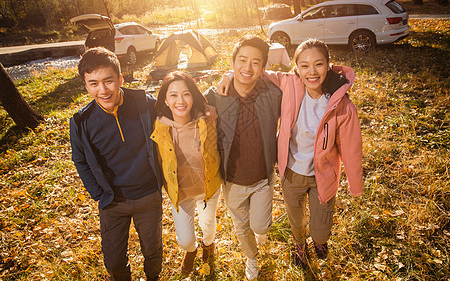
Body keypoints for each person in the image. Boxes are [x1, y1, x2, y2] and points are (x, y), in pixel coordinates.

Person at [217, 38, 364, 267]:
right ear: (296, 68)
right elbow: (252, 72)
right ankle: (299, 245)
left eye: (318, 64)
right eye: (304, 65)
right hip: (291, 172)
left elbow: (352, 149)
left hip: (322, 176)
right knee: (296, 220)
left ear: (328, 65)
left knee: (321, 230)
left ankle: (319, 241)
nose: (311, 72)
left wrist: (355, 185)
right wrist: (227, 74)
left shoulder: (341, 105)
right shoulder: (289, 84)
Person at [69, 47, 163, 280]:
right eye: (93, 83)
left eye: (108, 81)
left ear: (120, 78)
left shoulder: (143, 102)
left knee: (153, 252)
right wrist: (98, 193)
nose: (102, 90)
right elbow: (80, 159)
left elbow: (179, 104)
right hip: (112, 201)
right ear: (85, 85)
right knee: (113, 261)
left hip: (148, 196)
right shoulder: (82, 121)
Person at [204, 35, 282, 280]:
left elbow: (302, 80)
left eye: (256, 62)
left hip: (262, 177)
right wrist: (226, 76)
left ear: (264, 67)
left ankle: (261, 233)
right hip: (233, 179)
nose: (247, 68)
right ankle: (252, 258)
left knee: (261, 225)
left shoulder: (273, 94)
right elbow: (178, 101)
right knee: (241, 226)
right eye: (242, 60)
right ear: (233, 61)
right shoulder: (215, 96)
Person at [150, 71, 222, 277]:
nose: (180, 101)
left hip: (208, 187)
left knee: (208, 226)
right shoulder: (159, 126)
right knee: (184, 240)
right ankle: (192, 250)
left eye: (186, 94)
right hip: (180, 192)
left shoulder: (207, 119)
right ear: (165, 98)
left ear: (193, 96)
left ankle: (208, 245)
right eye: (173, 95)